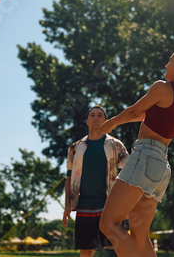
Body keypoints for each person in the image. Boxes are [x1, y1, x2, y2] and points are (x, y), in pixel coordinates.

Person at [98, 32, 174, 257]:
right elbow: (148, 115)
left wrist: (111, 124)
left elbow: (136, 110)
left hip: (144, 157)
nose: (166, 65)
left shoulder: (162, 87)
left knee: (108, 224)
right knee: (140, 233)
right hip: (161, 166)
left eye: (171, 62)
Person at [63, 105, 129, 257]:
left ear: (106, 121)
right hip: (84, 205)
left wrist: (128, 206)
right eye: (92, 115)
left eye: (100, 115)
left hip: (110, 205)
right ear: (87, 121)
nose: (95, 117)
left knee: (116, 248)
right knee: (86, 250)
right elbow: (69, 177)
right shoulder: (75, 148)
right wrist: (67, 205)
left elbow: (129, 174)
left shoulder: (116, 145)